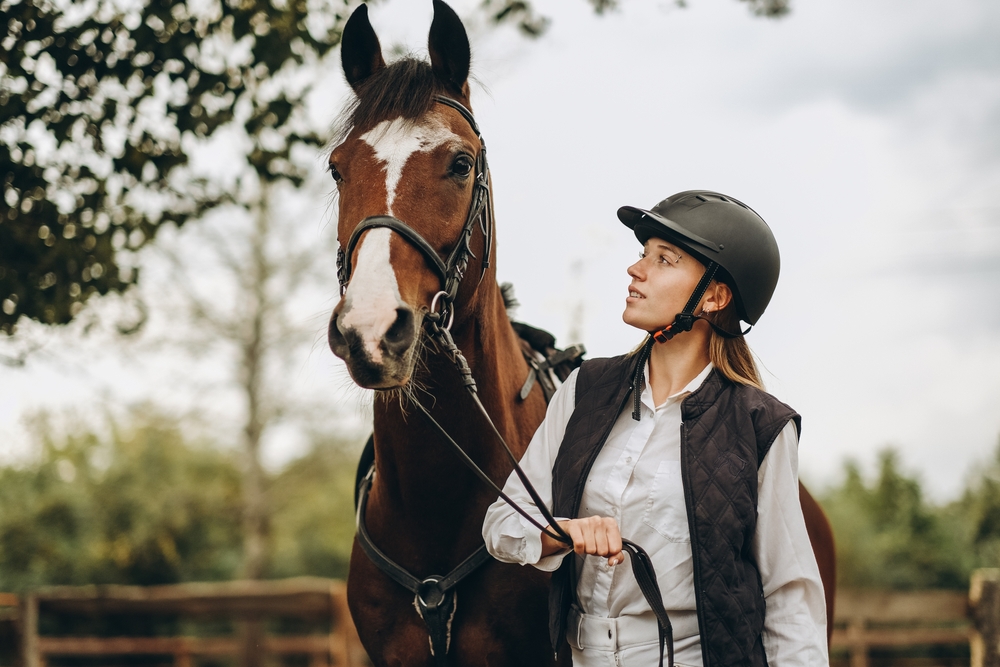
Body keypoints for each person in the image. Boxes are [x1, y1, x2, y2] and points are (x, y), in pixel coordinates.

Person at [482, 190, 828, 667]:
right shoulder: (583, 389)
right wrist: (560, 533)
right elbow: (501, 524)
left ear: (713, 296)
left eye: (664, 260)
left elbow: (791, 601)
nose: (636, 269)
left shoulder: (761, 425)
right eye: (642, 255)